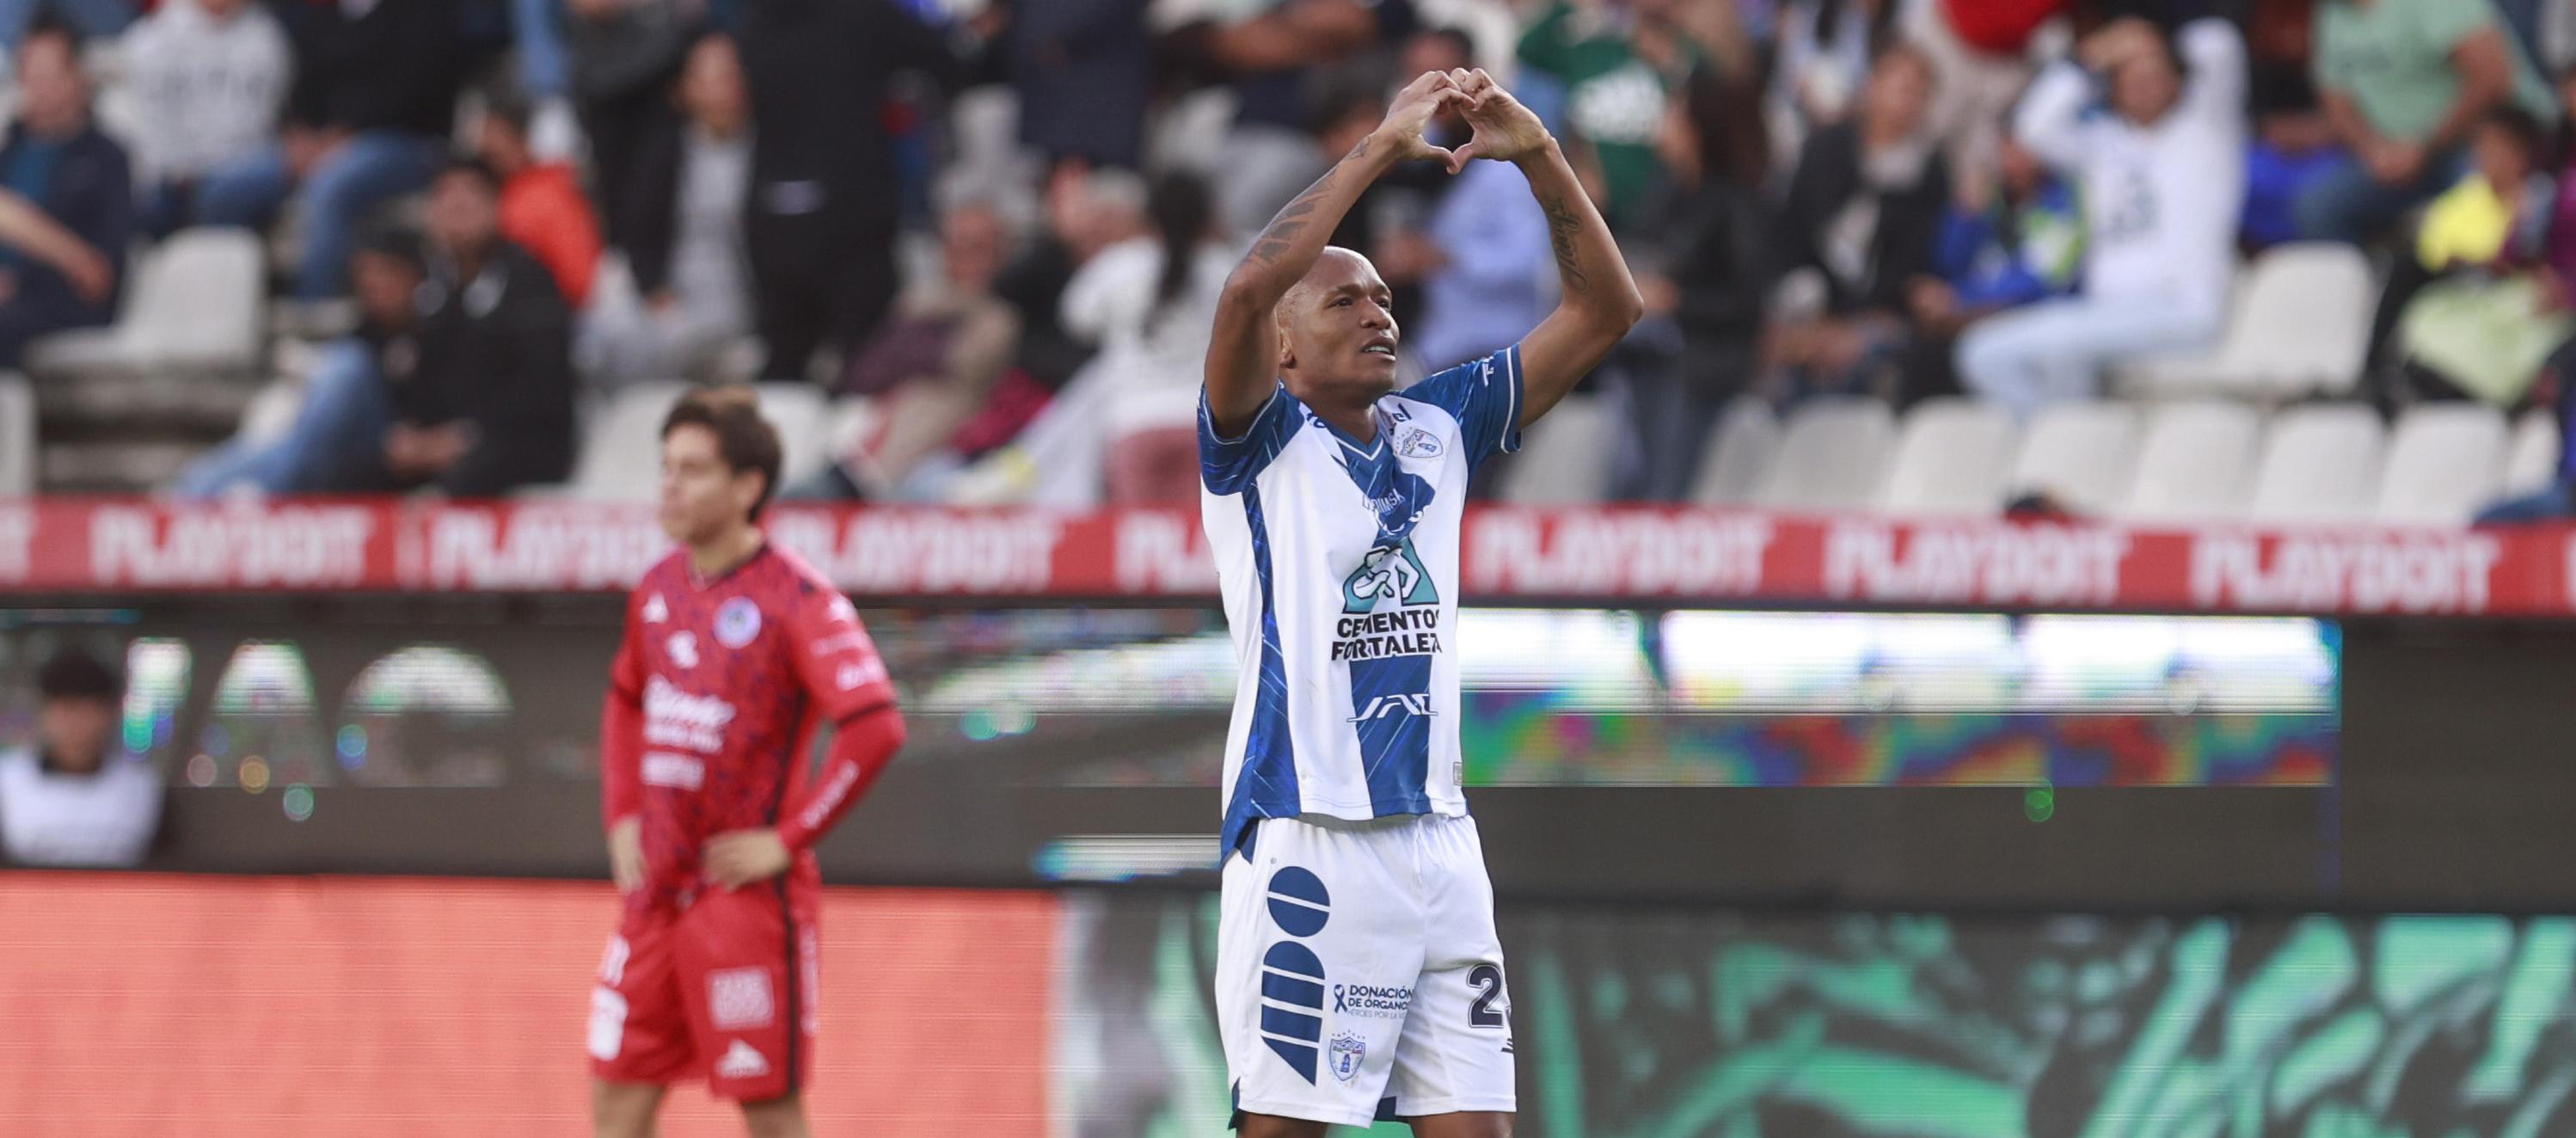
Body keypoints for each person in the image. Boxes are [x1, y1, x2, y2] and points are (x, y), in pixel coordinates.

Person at [1198, 67, 1641, 1136]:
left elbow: (1605, 309)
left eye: (1385, 297)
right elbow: (1245, 289)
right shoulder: (1256, 445)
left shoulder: (1435, 429)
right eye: (1343, 298)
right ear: (1285, 347)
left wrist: (1535, 153)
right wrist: (1382, 149)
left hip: (1441, 847)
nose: (1376, 312)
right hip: (1312, 838)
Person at [589, 386, 909, 1138]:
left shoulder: (798, 597)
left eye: (693, 470)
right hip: (654, 897)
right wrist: (623, 814)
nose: (671, 485)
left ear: (748, 486)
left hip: (743, 900)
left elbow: (876, 728)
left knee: (768, 1112)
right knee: (615, 1103)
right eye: (667, 467)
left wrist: (788, 838)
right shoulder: (658, 589)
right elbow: (624, 701)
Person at [1957, 18, 2247, 419]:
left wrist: (2145, 37)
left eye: (2154, 72)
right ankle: (2073, 453)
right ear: (2114, 88)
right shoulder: (2102, 145)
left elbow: (2220, 43)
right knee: (1997, 356)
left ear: (2177, 81)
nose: (2143, 84)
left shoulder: (2205, 130)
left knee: (1999, 352)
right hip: (2108, 312)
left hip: (2181, 309)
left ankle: (2062, 453)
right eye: (2130, 76)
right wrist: (2094, 54)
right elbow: (2034, 127)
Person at [734, 0, 957, 384]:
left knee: (793, 365)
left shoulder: (751, 23)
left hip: (783, 214)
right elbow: (949, 65)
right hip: (848, 215)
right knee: (860, 364)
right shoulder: (864, 14)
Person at [192, 0, 470, 301]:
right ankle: (225, 305)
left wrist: (345, 137)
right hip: (321, 143)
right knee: (226, 188)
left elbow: (418, 87)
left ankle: (315, 309)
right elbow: (301, 88)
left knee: (329, 187)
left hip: (406, 143)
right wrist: (300, 137)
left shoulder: (424, 11)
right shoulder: (326, 14)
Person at [368, 160, 579, 496]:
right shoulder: (429, 289)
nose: (457, 209)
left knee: (469, 474)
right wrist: (417, 437)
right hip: (447, 440)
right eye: (445, 199)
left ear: (497, 208)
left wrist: (464, 436)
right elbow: (413, 372)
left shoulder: (530, 280)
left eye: (470, 198)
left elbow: (542, 389)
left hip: (521, 441)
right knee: (366, 467)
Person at [793, 195, 1021, 501]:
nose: (964, 257)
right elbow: (867, 370)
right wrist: (929, 343)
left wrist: (914, 340)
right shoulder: (916, 300)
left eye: (978, 248)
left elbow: (963, 359)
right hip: (861, 449)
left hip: (931, 460)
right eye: (955, 245)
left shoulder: (999, 318)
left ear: (1001, 255)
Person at [170, 227, 427, 497]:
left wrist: (424, 444)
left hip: (394, 453)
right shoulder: (362, 333)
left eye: (387, 271)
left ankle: (278, 495)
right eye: (367, 273)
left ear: (414, 276)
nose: (374, 283)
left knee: (345, 366)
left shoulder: (437, 332)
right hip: (335, 457)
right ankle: (182, 500)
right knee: (207, 475)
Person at [1619, 65, 1775, 501]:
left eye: (1673, 112)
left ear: (1698, 127)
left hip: (1706, 361)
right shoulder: (1666, 192)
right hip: (1647, 353)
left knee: (1666, 485)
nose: (1662, 124)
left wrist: (1676, 300)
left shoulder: (1738, 201)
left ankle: (1661, 527)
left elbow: (1747, 303)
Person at [1772, 42, 1948, 399]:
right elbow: (1792, 233)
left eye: (1920, 93)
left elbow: (1914, 262)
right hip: (1806, 301)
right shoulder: (1826, 149)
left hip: (1879, 315)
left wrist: (1860, 324)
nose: (1909, 101)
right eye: (1902, 88)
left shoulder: (1930, 172)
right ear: (1872, 86)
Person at [2299, 0, 2557, 243]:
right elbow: (2334, 95)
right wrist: (2373, 150)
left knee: (2477, 209)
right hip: (2396, 156)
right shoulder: (2332, 11)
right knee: (2316, 206)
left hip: (2482, 141)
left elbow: (2493, 77)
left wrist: (2424, 146)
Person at [580, 30, 754, 389]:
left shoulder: (769, 151)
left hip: (739, 295)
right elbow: (638, 229)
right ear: (684, 89)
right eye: (704, 77)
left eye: (727, 75)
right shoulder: (665, 153)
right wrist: (653, 288)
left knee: (674, 344)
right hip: (673, 293)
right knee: (605, 334)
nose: (719, 90)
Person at [1068, 170, 1232, 505]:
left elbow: (1077, 320)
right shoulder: (1225, 268)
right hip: (1206, 426)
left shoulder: (1118, 265)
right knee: (1200, 541)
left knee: (1138, 542)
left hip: (1133, 420)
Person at [0, 20, 131, 368]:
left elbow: (98, 276)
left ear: (77, 76)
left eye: (48, 75)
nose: (37, 88)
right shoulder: (9, 148)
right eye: (30, 76)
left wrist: (22, 276)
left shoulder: (107, 159)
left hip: (55, 304)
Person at [120, 0, 291, 237]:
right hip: (173, 177)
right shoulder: (152, 38)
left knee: (252, 178)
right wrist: (183, 169)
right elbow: (148, 126)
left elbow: (272, 117)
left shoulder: (266, 36)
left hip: (241, 173)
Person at [0, 646, 160, 868]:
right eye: (66, 709)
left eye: (88, 709)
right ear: (44, 712)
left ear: (110, 713)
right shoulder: (9, 779)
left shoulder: (139, 785)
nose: (76, 723)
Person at [479, 93, 603, 307]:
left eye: (500, 136)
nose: (490, 146)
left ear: (523, 138)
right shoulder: (502, 192)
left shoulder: (547, 194)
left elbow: (578, 278)